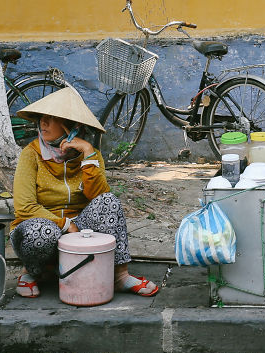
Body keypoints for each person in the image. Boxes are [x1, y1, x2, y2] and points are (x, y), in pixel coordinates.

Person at [10, 87, 159, 298]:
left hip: (80, 228)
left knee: (109, 201)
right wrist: (65, 224)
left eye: (51, 118)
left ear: (72, 127)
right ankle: (32, 272)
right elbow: (25, 208)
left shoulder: (91, 155)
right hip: (42, 225)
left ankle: (119, 275)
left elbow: (99, 197)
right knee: (41, 233)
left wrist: (88, 153)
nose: (43, 123)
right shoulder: (30, 154)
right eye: (42, 117)